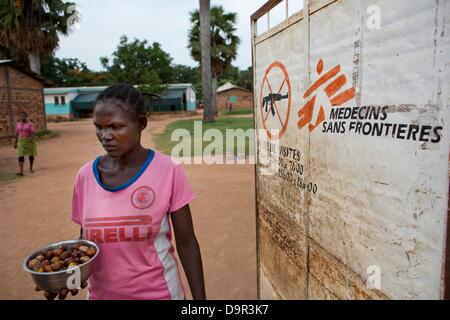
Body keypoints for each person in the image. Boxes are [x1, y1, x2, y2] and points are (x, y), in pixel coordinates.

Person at [40, 84, 205, 300]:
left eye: (116, 127)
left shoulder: (168, 170)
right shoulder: (85, 176)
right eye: (99, 127)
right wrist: (68, 274)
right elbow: (86, 239)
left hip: (160, 294)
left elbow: (186, 242)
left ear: (141, 124)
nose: (105, 135)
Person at [14, 111, 37, 176]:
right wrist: (15, 142)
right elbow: (17, 133)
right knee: (20, 155)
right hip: (21, 141)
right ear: (20, 117)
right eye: (21, 116)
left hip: (29, 141)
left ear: (26, 116)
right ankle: (21, 171)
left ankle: (31, 168)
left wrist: (31, 138)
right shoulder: (18, 124)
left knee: (31, 154)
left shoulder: (30, 124)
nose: (22, 117)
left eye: (24, 116)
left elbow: (33, 132)